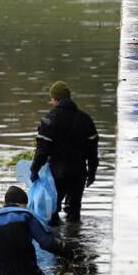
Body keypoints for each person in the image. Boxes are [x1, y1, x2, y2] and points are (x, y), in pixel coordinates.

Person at [29, 81, 99, 225]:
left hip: (57, 174)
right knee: (74, 212)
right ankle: (75, 241)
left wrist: (34, 169)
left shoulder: (49, 119)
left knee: (52, 211)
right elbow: (93, 150)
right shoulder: (85, 119)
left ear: (55, 99)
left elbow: (42, 150)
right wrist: (92, 172)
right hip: (79, 172)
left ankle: (56, 242)